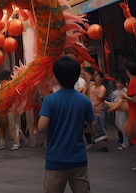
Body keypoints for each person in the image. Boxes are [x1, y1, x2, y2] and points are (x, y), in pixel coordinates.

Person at [38, 56, 94, 193]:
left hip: (56, 159)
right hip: (78, 159)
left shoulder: (50, 100)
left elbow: (41, 127)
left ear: (56, 77)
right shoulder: (84, 101)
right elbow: (91, 129)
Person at [105, 76, 129, 150]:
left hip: (122, 110)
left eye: (120, 83)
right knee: (118, 125)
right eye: (117, 83)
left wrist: (111, 108)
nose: (118, 85)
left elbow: (119, 103)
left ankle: (126, 142)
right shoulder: (115, 92)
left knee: (123, 126)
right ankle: (124, 141)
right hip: (117, 110)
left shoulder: (125, 91)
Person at [89, 71, 108, 151]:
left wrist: (95, 91)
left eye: (98, 77)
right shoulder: (92, 87)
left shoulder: (102, 88)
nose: (96, 79)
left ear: (102, 79)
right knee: (95, 125)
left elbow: (100, 98)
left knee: (102, 126)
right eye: (95, 77)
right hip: (93, 108)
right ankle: (96, 141)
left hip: (100, 109)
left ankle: (106, 145)